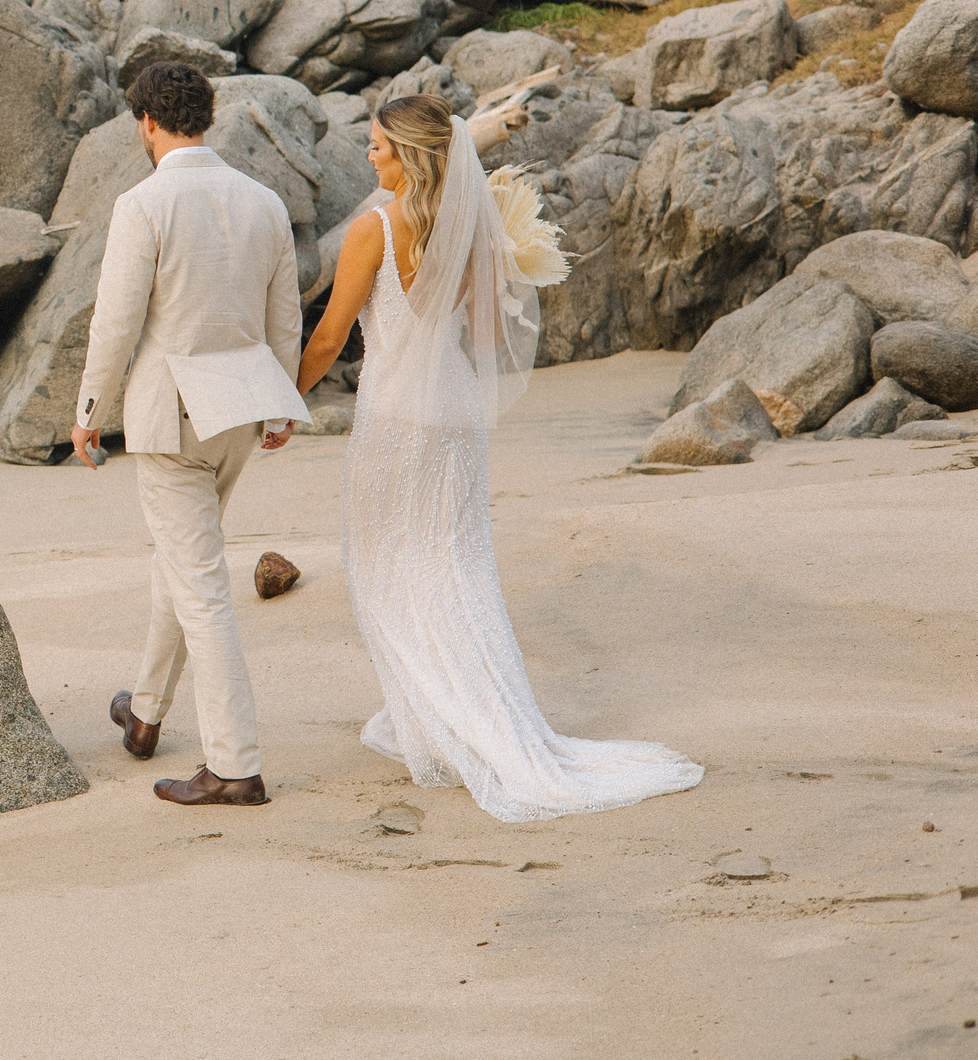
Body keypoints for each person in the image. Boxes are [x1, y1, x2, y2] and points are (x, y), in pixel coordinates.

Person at [293, 93, 703, 822]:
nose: (368, 155)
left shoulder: (373, 231)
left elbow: (326, 342)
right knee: (457, 562)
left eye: (379, 146)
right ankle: (460, 715)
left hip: (396, 417)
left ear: (410, 156)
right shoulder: (471, 228)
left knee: (387, 564)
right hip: (453, 413)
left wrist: (283, 403)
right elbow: (483, 333)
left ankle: (454, 722)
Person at [72, 63, 307, 807]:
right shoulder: (264, 200)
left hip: (172, 417)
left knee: (200, 584)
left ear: (146, 122)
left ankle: (235, 764)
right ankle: (144, 714)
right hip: (241, 412)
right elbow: (285, 316)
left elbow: (115, 321)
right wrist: (281, 407)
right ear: (207, 117)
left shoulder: (142, 204)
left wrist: (87, 412)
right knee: (181, 561)